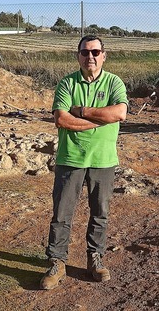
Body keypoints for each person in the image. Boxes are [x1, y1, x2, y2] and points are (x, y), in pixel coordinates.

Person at [40, 35, 129, 290]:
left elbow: (120, 113)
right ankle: (57, 262)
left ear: (104, 55)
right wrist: (99, 121)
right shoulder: (67, 83)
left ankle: (95, 258)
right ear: (77, 55)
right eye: (84, 52)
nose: (90, 56)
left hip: (103, 160)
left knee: (99, 213)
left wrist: (82, 111)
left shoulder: (114, 82)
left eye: (95, 52)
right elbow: (61, 120)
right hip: (71, 158)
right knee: (61, 213)